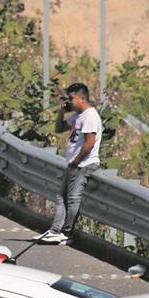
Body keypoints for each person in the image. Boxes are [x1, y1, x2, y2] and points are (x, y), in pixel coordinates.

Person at [36, 83, 102, 245]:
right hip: (73, 163)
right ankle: (54, 230)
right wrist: (61, 112)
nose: (69, 102)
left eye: (72, 98)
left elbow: (90, 142)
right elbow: (59, 129)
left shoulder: (90, 116)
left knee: (73, 198)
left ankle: (66, 232)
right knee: (61, 197)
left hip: (83, 164)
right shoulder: (77, 116)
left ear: (82, 98)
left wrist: (77, 161)